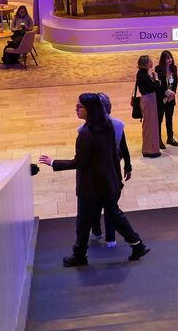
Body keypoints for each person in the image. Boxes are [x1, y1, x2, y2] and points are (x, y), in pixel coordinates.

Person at [39, 94, 149, 266]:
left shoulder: (85, 133)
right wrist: (117, 180)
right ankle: (137, 245)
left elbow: (80, 162)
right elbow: (115, 155)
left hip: (90, 185)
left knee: (83, 220)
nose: (76, 109)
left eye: (79, 107)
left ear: (89, 109)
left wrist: (53, 162)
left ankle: (80, 255)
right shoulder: (108, 128)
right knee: (115, 215)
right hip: (107, 181)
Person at [88, 93, 134, 248]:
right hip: (114, 172)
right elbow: (124, 148)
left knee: (96, 203)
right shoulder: (119, 124)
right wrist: (128, 166)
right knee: (111, 206)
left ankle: (96, 231)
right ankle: (111, 238)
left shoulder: (85, 128)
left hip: (96, 173)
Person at [135, 55, 161, 158]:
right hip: (149, 100)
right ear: (145, 64)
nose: (151, 63)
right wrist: (156, 78)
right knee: (151, 126)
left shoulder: (141, 73)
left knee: (148, 126)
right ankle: (151, 150)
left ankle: (147, 148)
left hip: (146, 99)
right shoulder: (145, 75)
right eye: (150, 62)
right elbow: (155, 88)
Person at [156, 50, 178, 148]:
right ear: (163, 60)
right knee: (159, 120)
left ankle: (170, 137)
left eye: (170, 57)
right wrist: (168, 93)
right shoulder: (158, 69)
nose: (170, 60)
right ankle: (158, 139)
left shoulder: (174, 68)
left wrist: (173, 93)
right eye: (167, 58)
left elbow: (176, 82)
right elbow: (159, 86)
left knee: (169, 118)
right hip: (161, 99)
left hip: (171, 99)